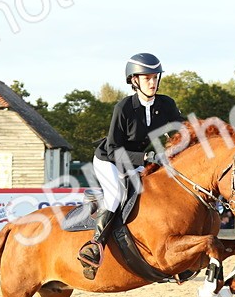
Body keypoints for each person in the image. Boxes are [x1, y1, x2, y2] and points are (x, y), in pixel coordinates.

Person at [78, 53, 183, 271]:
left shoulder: (166, 104)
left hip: (137, 161)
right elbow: (114, 149)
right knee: (117, 194)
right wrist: (146, 158)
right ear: (134, 81)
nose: (153, 83)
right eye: (147, 78)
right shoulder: (124, 108)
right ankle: (96, 244)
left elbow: (183, 131)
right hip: (110, 159)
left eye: (155, 78)